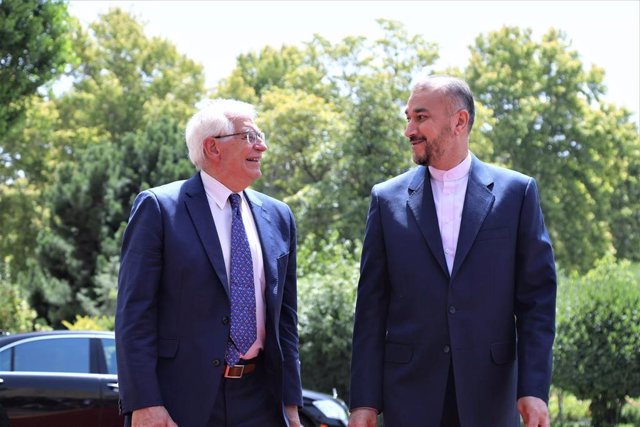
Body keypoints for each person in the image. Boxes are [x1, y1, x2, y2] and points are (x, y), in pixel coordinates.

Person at [348, 75, 557, 427]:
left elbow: (537, 300)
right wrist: (364, 401)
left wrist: (533, 388)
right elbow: (371, 307)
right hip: (409, 396)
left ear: (459, 121)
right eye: (408, 117)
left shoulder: (517, 194)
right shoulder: (385, 199)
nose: (409, 129)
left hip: (491, 396)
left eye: (421, 117)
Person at [115, 99, 303, 427]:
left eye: (260, 135)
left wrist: (290, 403)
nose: (263, 145)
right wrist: (144, 403)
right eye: (249, 136)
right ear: (212, 148)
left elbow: (285, 320)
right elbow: (135, 314)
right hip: (179, 402)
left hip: (261, 401)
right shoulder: (158, 209)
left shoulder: (279, 215)